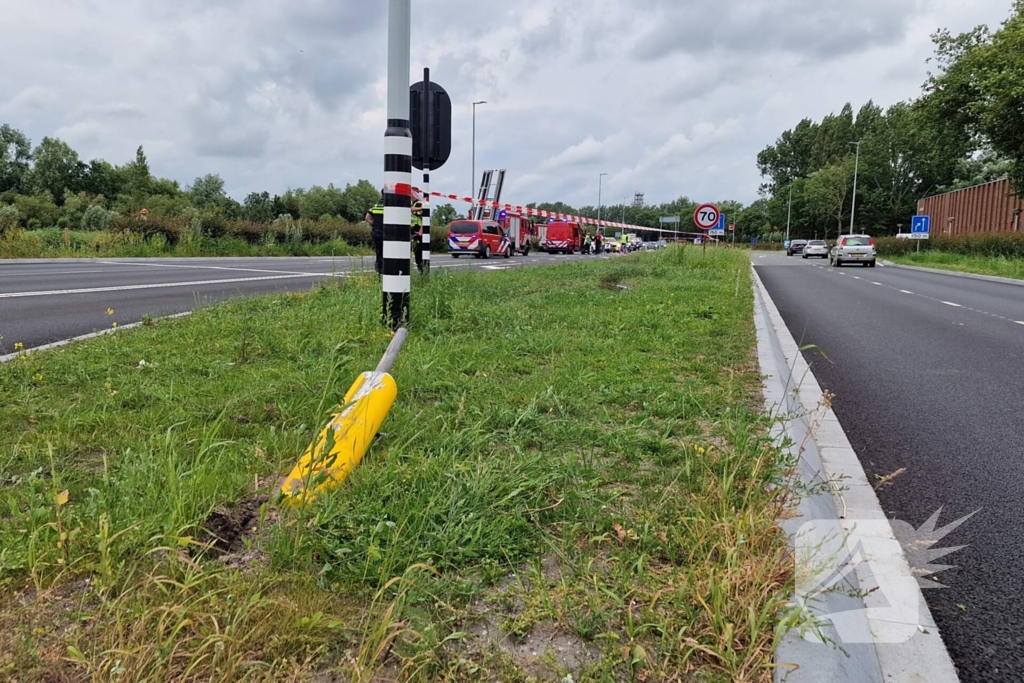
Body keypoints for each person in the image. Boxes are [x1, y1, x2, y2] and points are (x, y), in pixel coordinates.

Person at [365, 192, 385, 275]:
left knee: (379, 254)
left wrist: (374, 223)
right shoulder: (391, 205)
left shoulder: (376, 205)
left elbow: (367, 218)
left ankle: (379, 273)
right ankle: (387, 273)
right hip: (388, 234)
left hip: (376, 233)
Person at [411, 200, 425, 273]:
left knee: (419, 253)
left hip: (418, 233)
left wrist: (420, 231)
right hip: (414, 232)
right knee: (417, 253)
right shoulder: (413, 203)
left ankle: (422, 271)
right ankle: (421, 271)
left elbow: (424, 218)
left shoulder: (419, 203)